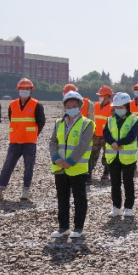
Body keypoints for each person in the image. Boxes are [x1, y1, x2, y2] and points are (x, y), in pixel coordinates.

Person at [49, 91, 95, 239]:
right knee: (62, 198)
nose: (71, 108)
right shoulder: (59, 123)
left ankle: (78, 227)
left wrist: (70, 161)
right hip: (59, 167)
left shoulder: (87, 124)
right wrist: (56, 158)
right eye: (68, 106)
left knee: (79, 198)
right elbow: (53, 142)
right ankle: (63, 227)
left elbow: (82, 145)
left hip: (77, 168)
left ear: (80, 106)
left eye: (74, 106)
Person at [0, 78, 45, 202]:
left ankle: (25, 191)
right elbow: (12, 119)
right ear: (18, 90)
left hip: (29, 142)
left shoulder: (36, 105)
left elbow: (41, 122)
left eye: (27, 89)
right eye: (22, 89)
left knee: (28, 167)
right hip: (15, 141)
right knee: (7, 166)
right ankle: (0, 191)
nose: (24, 91)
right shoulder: (12, 104)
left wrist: (33, 134)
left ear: (31, 90)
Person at [103, 92, 138, 217]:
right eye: (116, 107)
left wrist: (118, 143)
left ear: (127, 106)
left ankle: (128, 207)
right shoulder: (110, 120)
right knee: (115, 183)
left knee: (128, 182)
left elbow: (132, 135)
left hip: (128, 157)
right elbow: (106, 133)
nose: (118, 109)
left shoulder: (134, 119)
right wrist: (112, 143)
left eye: (121, 107)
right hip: (113, 156)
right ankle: (116, 207)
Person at [89, 85, 114, 185]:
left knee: (107, 155)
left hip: (107, 136)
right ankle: (88, 174)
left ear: (107, 96)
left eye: (101, 95)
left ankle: (106, 174)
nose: (100, 97)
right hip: (96, 134)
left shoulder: (113, 108)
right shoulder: (96, 105)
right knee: (92, 154)